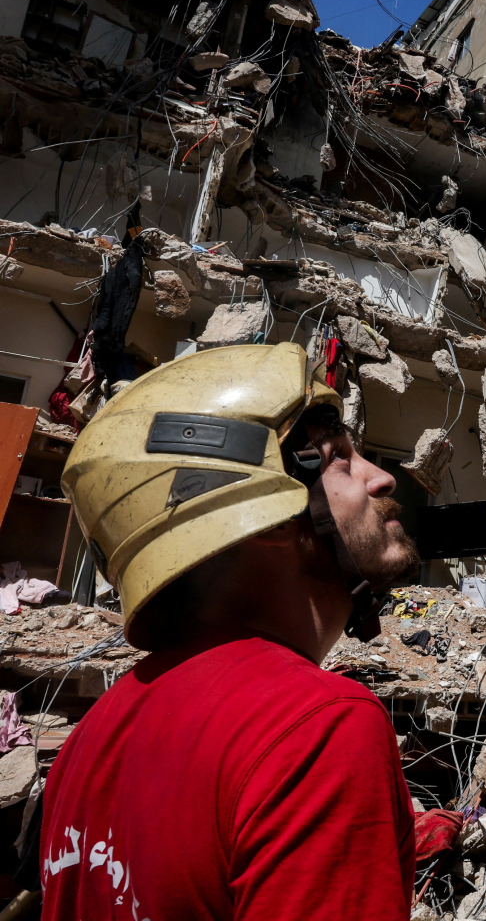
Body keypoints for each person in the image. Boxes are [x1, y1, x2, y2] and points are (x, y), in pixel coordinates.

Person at [41, 342, 421, 921]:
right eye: (340, 458)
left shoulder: (88, 743)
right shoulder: (318, 730)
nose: (383, 478)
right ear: (264, 515)